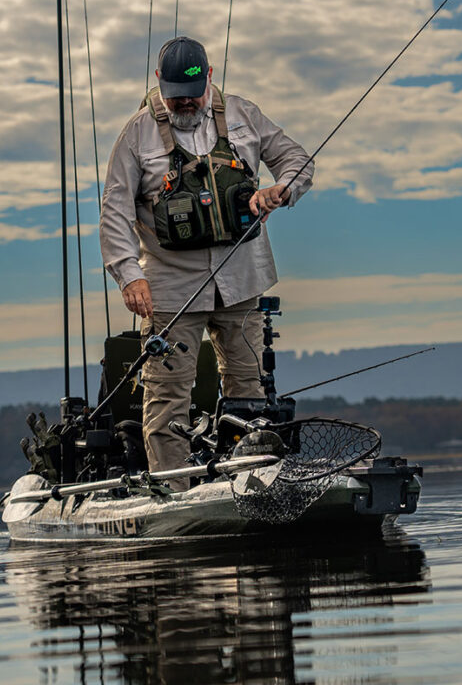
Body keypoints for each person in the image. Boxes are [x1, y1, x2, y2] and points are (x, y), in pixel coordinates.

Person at [100, 36, 314, 488]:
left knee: (249, 391)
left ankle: (251, 484)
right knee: (167, 397)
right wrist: (129, 276)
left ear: (210, 78)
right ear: (159, 83)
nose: (184, 103)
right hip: (170, 289)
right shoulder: (136, 134)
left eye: (193, 95)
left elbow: (297, 160)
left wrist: (282, 188)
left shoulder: (243, 115)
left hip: (242, 279)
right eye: (175, 95)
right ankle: (173, 493)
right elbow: (114, 212)